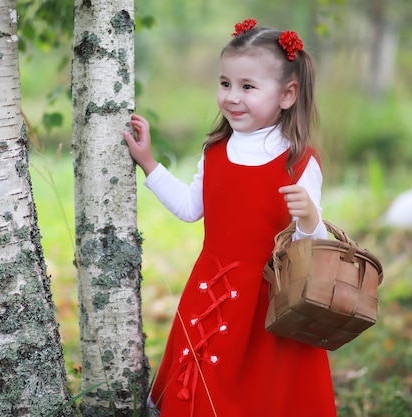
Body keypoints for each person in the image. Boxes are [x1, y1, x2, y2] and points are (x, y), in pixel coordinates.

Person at [123, 18, 337, 417]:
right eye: (225, 84)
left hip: (270, 305)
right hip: (210, 295)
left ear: (288, 94)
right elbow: (191, 208)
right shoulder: (216, 151)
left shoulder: (299, 160)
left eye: (248, 87)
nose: (232, 97)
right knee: (205, 389)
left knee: (263, 394)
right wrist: (149, 164)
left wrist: (309, 219)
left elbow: (313, 248)